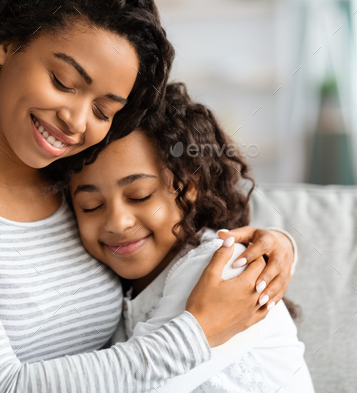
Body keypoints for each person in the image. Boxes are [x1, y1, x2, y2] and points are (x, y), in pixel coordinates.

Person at [0, 1, 298, 392]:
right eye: (64, 81)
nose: (75, 120)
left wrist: (275, 244)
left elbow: (161, 251)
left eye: (104, 109)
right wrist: (198, 335)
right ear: (7, 43)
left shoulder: (71, 187)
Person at [68, 82, 314, 392]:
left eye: (140, 196)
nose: (117, 222)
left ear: (188, 186)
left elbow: (141, 382)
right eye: (91, 206)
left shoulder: (223, 267)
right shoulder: (118, 289)